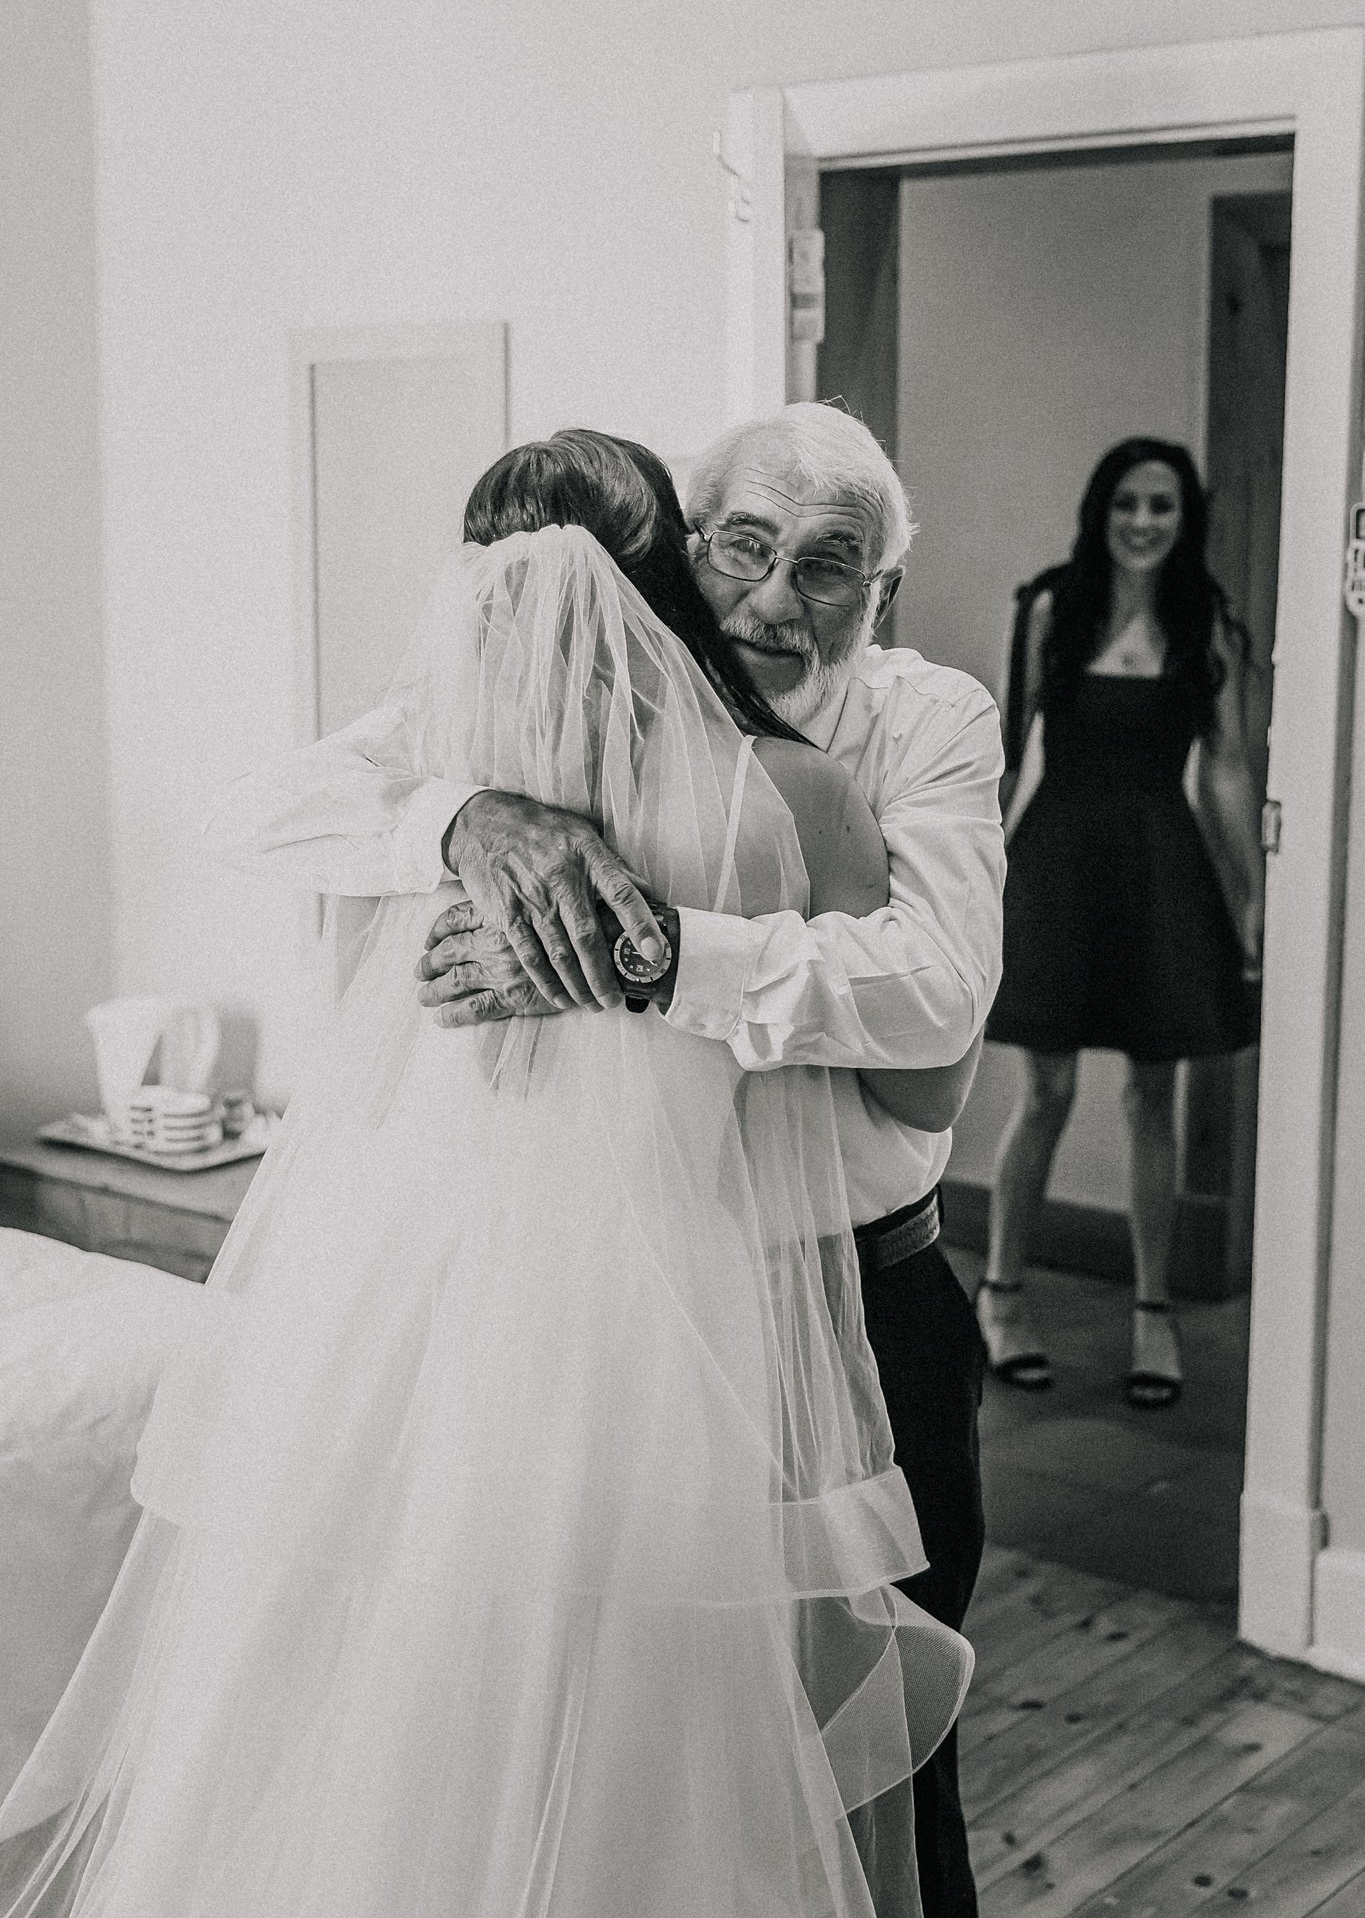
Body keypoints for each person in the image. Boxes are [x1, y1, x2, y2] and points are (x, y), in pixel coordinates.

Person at [0, 430, 976, 1918]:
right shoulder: (499, 771)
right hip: (625, 1335)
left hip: (842, 1307)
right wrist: (458, 824)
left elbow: (933, 1019)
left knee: (851, 1767)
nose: (778, 597)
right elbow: (260, 806)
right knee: (644, 1762)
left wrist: (645, 959)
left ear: (882, 588)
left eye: (830, 564)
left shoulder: (922, 727)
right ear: (678, 553)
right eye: (744, 549)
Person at [982, 437, 1264, 1407]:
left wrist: (1250, 889)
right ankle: (1003, 1293)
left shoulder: (1207, 624)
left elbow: (1225, 768)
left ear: (1185, 520)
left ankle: (1154, 1313)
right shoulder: (1051, 607)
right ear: (1102, 509)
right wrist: (971, 874)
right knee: (1046, 1090)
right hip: (1058, 861)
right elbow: (1009, 753)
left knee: (1155, 1096)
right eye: (1128, 504)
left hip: (1162, 867)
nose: (1143, 521)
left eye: (1163, 507)